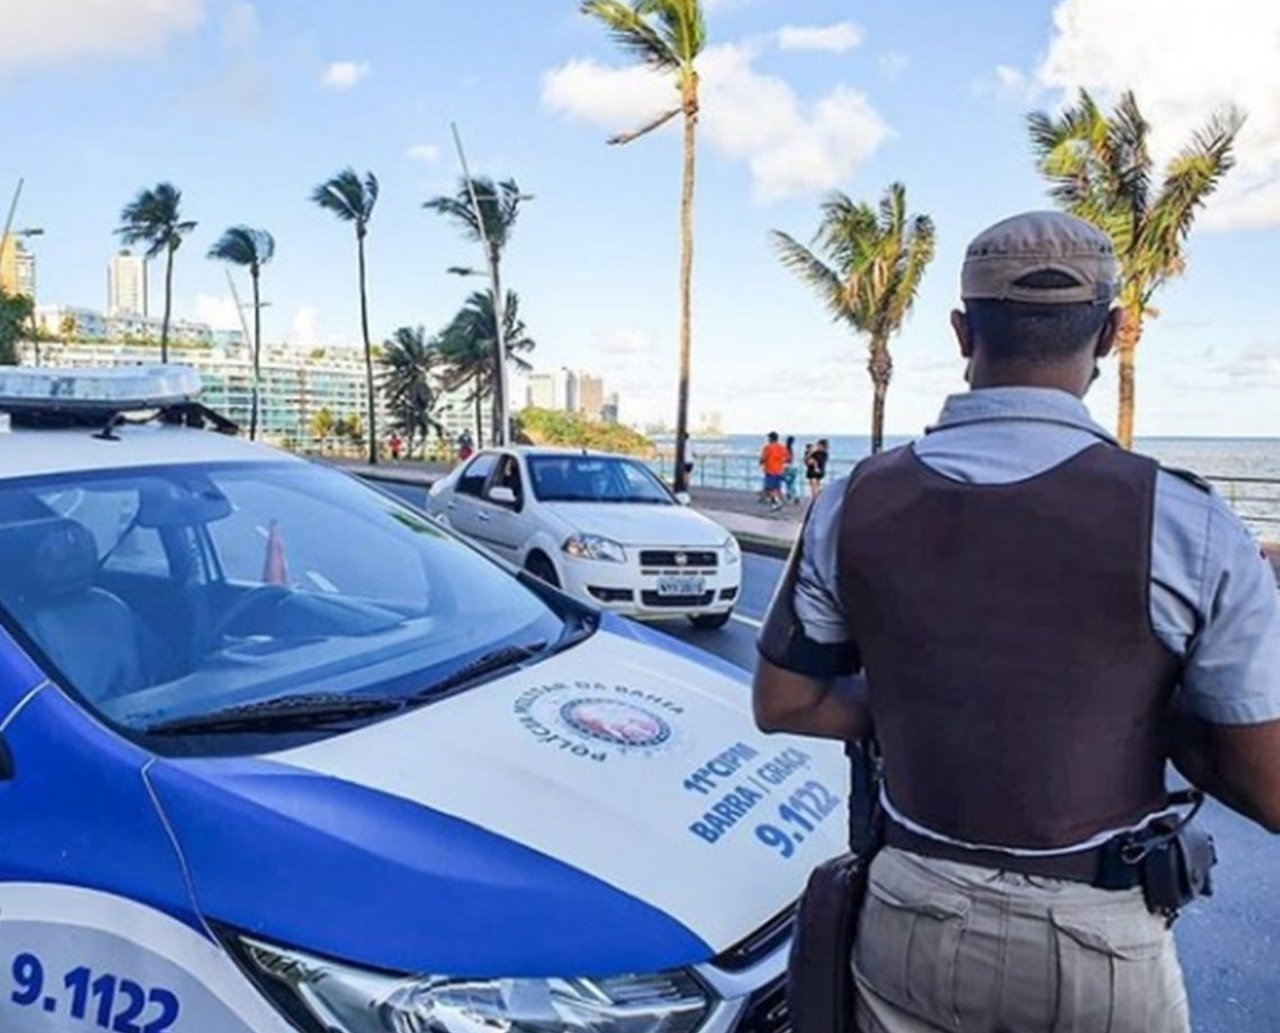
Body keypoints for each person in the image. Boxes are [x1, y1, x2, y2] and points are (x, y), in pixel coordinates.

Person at [753, 211, 1280, 1033]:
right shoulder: (1189, 523)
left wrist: (918, 704)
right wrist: (1132, 717)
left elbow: (785, 700)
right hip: (1097, 940)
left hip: (907, 912)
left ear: (964, 331)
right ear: (1108, 335)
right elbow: (1267, 784)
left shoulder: (853, 500)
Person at [759, 431, 788, 511]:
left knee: (770, 488)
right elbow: (785, 458)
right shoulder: (782, 447)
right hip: (779, 470)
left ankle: (777, 502)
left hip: (770, 470)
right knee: (777, 488)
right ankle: (777, 502)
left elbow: (763, 458)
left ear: (770, 439)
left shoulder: (768, 448)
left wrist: (761, 463)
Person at [782, 435, 800, 505]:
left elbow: (787, 460)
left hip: (787, 468)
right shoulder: (794, 449)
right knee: (791, 483)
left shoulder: (786, 449)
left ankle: (792, 495)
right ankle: (790, 495)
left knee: (789, 483)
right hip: (795, 468)